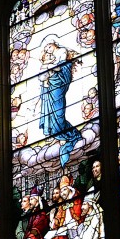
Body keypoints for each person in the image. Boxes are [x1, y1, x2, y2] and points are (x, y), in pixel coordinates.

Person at [38, 38, 81, 168]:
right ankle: (58, 135)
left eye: (48, 48)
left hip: (59, 82)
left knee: (58, 111)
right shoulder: (49, 60)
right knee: (52, 110)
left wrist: (51, 67)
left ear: (53, 44)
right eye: (46, 51)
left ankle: (66, 134)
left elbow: (61, 68)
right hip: (52, 85)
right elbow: (43, 75)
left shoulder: (62, 51)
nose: (48, 51)